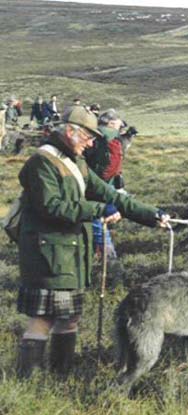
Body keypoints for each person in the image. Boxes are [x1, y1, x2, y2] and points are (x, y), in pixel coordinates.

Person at [14, 105, 169, 378]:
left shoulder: (77, 162)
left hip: (70, 254)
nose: (91, 144)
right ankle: (30, 380)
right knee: (43, 318)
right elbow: (53, 207)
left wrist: (151, 215)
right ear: (71, 132)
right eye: (88, 137)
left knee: (69, 316)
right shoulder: (42, 163)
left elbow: (110, 194)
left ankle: (61, 375)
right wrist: (98, 210)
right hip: (48, 254)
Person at [83, 109, 129, 265]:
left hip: (85, 182)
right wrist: (104, 184)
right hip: (100, 186)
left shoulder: (92, 134)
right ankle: (109, 262)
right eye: (118, 123)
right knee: (99, 220)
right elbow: (113, 165)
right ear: (110, 123)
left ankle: (92, 256)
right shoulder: (112, 138)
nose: (119, 126)